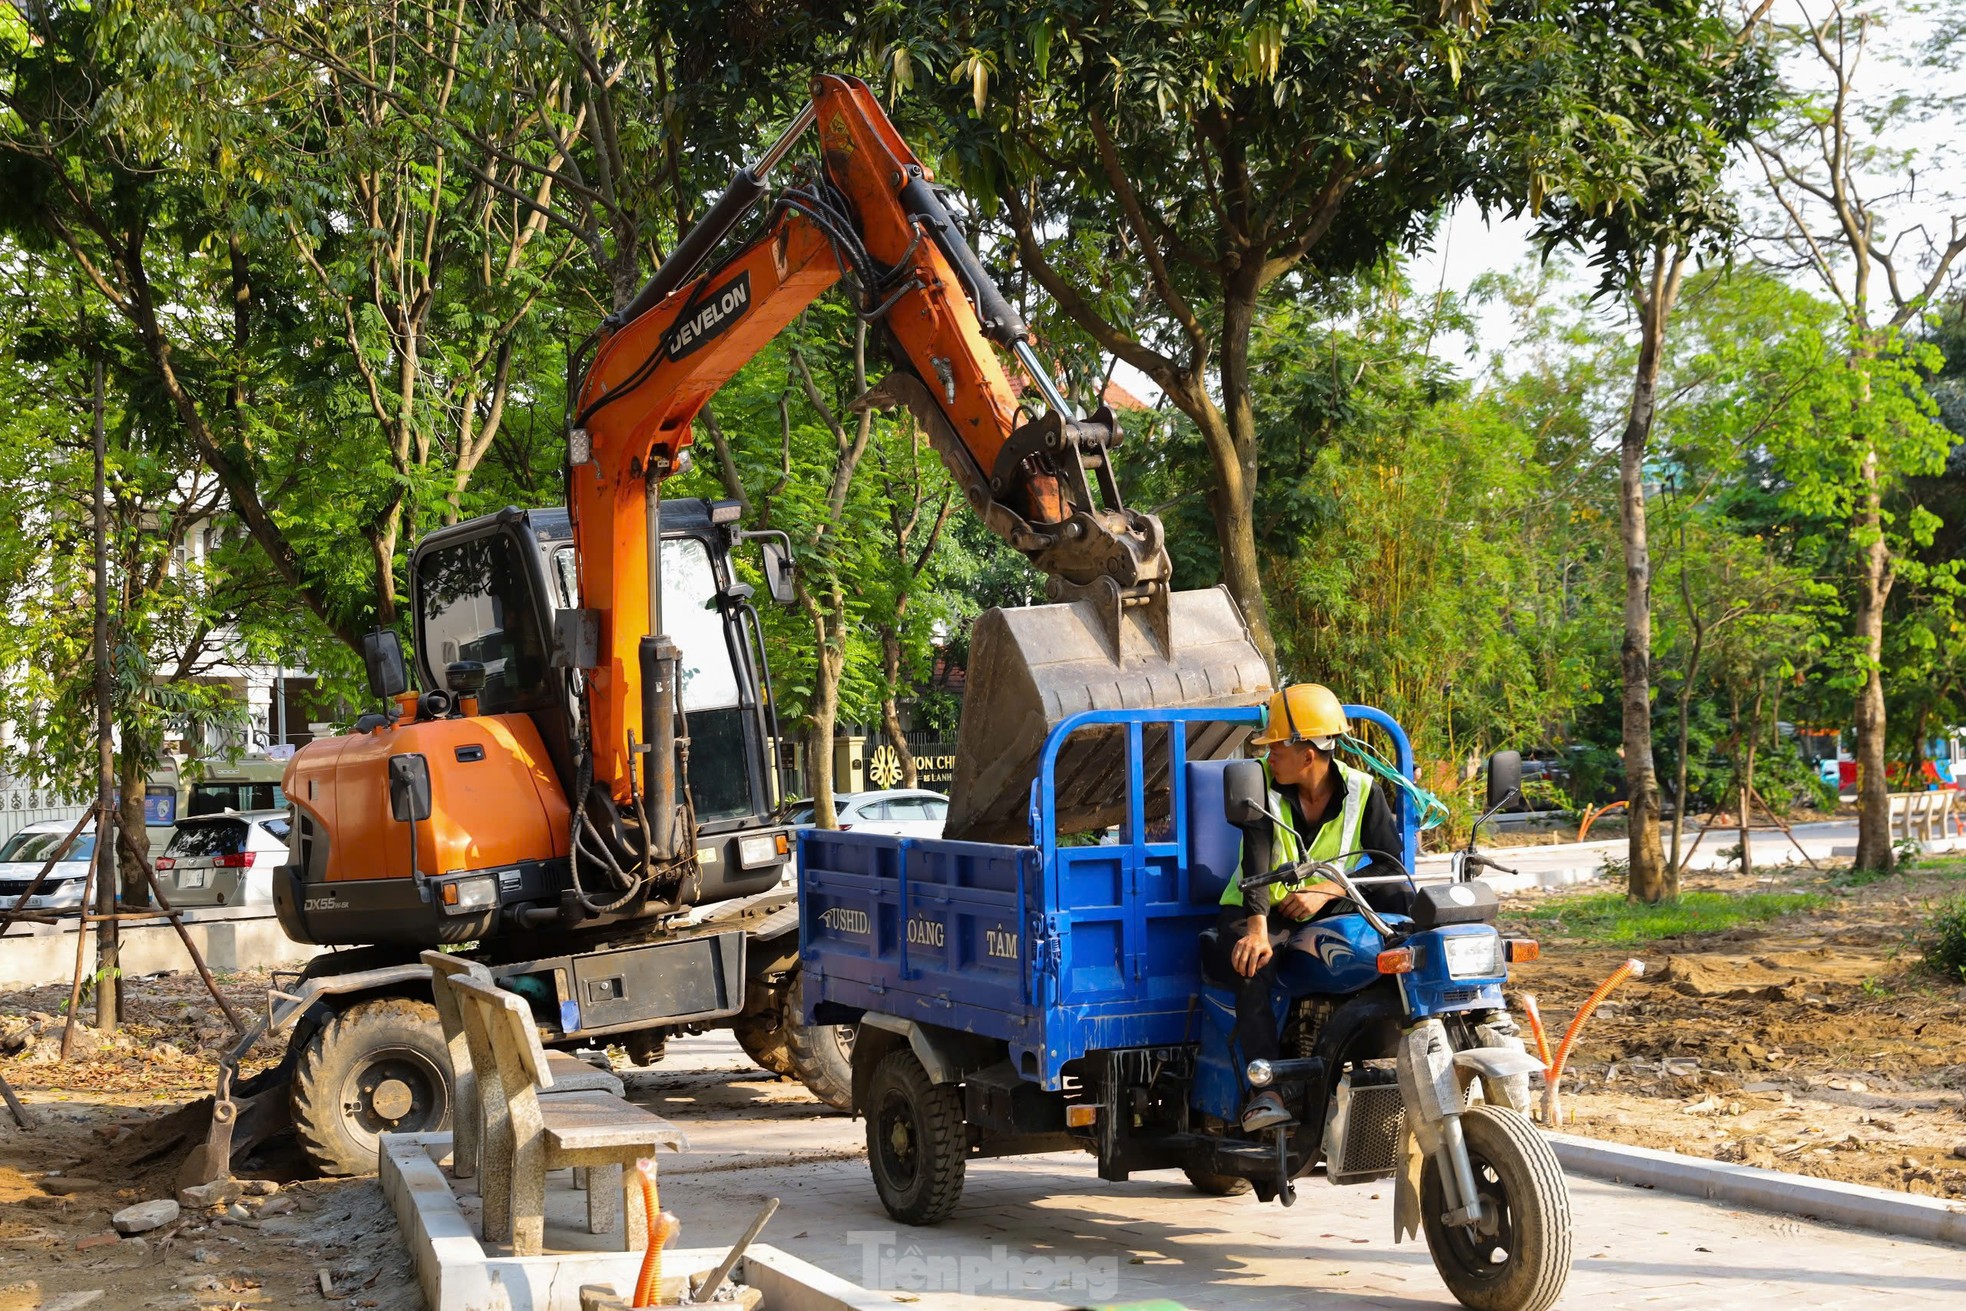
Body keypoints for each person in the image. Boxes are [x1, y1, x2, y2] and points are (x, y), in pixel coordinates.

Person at [1204, 682, 1404, 1132]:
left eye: (1276, 746)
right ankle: (1266, 1092)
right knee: (1255, 962)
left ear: (1307, 754)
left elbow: (1390, 866)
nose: (1269, 754)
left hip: (1324, 902)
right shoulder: (1260, 781)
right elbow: (1255, 862)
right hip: (1256, 906)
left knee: (1402, 926)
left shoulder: (1362, 790)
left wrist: (1327, 891)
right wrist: (1256, 930)